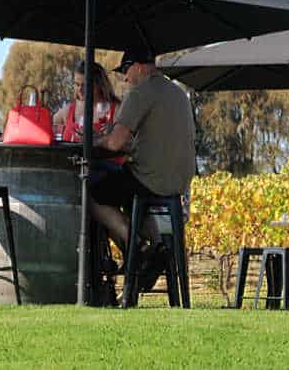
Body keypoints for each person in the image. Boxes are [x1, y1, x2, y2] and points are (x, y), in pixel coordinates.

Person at [92, 45, 196, 260]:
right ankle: (141, 259)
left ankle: (136, 248)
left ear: (138, 67)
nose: (125, 80)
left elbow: (114, 143)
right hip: (178, 185)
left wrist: (93, 142)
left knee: (89, 192)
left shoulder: (141, 92)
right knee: (117, 185)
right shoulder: (178, 93)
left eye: (125, 72)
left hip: (149, 180)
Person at [54, 60, 121, 142]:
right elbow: (48, 131)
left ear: (99, 84)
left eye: (85, 85)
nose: (80, 89)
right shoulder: (67, 111)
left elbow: (129, 144)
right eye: (77, 84)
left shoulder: (116, 109)